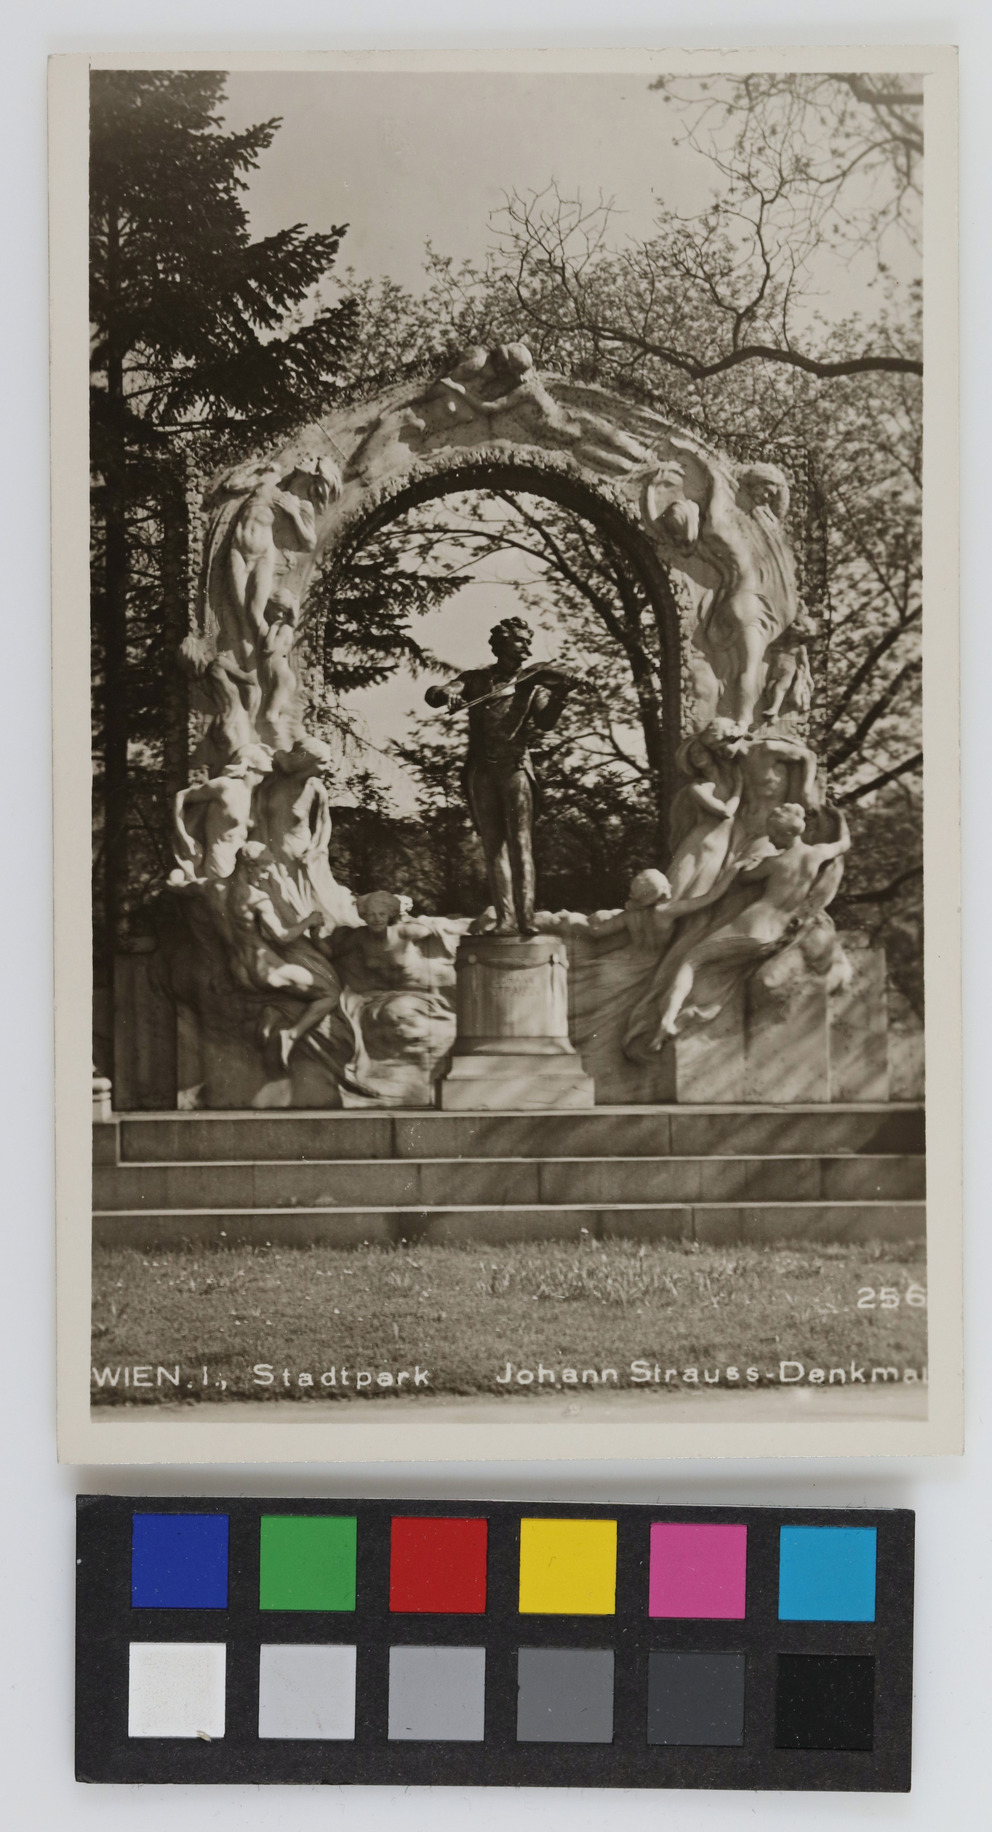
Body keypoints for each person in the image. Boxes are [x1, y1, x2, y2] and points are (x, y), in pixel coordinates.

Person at [645, 801, 850, 1048]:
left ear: (786, 833)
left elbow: (741, 878)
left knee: (691, 960)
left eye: (773, 837)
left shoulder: (774, 863)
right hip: (778, 936)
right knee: (730, 970)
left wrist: (740, 863)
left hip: (752, 926)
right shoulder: (817, 854)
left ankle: (668, 1018)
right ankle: (696, 1013)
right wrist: (838, 818)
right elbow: (844, 844)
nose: (772, 843)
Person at [424, 618, 578, 936]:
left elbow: (546, 722)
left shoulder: (532, 684)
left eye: (527, 641)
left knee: (521, 844)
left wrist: (562, 695)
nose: (527, 647)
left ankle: (527, 918)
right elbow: (440, 692)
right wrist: (444, 694)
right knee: (493, 847)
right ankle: (505, 919)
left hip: (516, 769)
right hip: (482, 770)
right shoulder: (476, 680)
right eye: (521, 640)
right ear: (502, 644)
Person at [169, 745, 272, 885]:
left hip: (243, 863)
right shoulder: (225, 786)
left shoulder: (253, 798)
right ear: (248, 767)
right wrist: (183, 836)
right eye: (260, 772)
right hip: (220, 858)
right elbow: (180, 796)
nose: (263, 777)